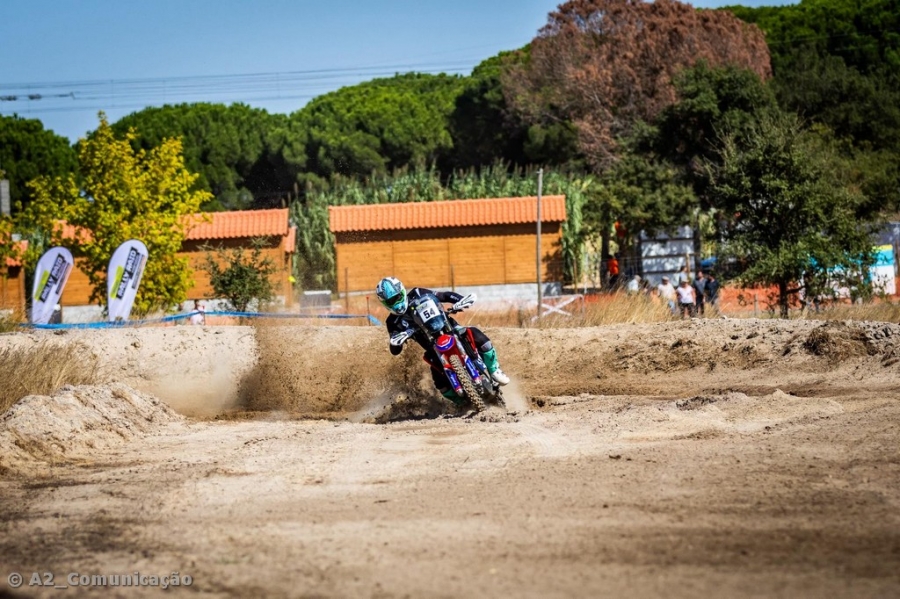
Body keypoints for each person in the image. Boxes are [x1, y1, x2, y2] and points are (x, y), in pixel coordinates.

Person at [375, 277, 509, 408]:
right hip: (432, 348)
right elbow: (395, 349)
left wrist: (459, 300)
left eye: (397, 297)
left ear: (402, 291)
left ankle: (494, 369)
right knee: (439, 380)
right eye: (391, 301)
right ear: (385, 303)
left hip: (451, 329)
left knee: (475, 333)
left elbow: (443, 295)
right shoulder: (392, 322)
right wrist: (396, 342)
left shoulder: (418, 293)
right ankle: (460, 403)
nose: (396, 303)